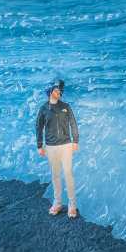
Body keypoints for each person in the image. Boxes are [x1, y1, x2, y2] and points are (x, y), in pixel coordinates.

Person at [35, 79, 79, 218]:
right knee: (55, 175)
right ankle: (58, 202)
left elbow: (73, 123)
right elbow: (39, 127)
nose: (59, 92)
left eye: (60, 90)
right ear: (50, 92)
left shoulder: (66, 106)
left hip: (66, 145)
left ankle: (72, 204)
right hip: (51, 146)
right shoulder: (43, 108)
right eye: (56, 90)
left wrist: (75, 140)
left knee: (68, 174)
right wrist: (39, 145)